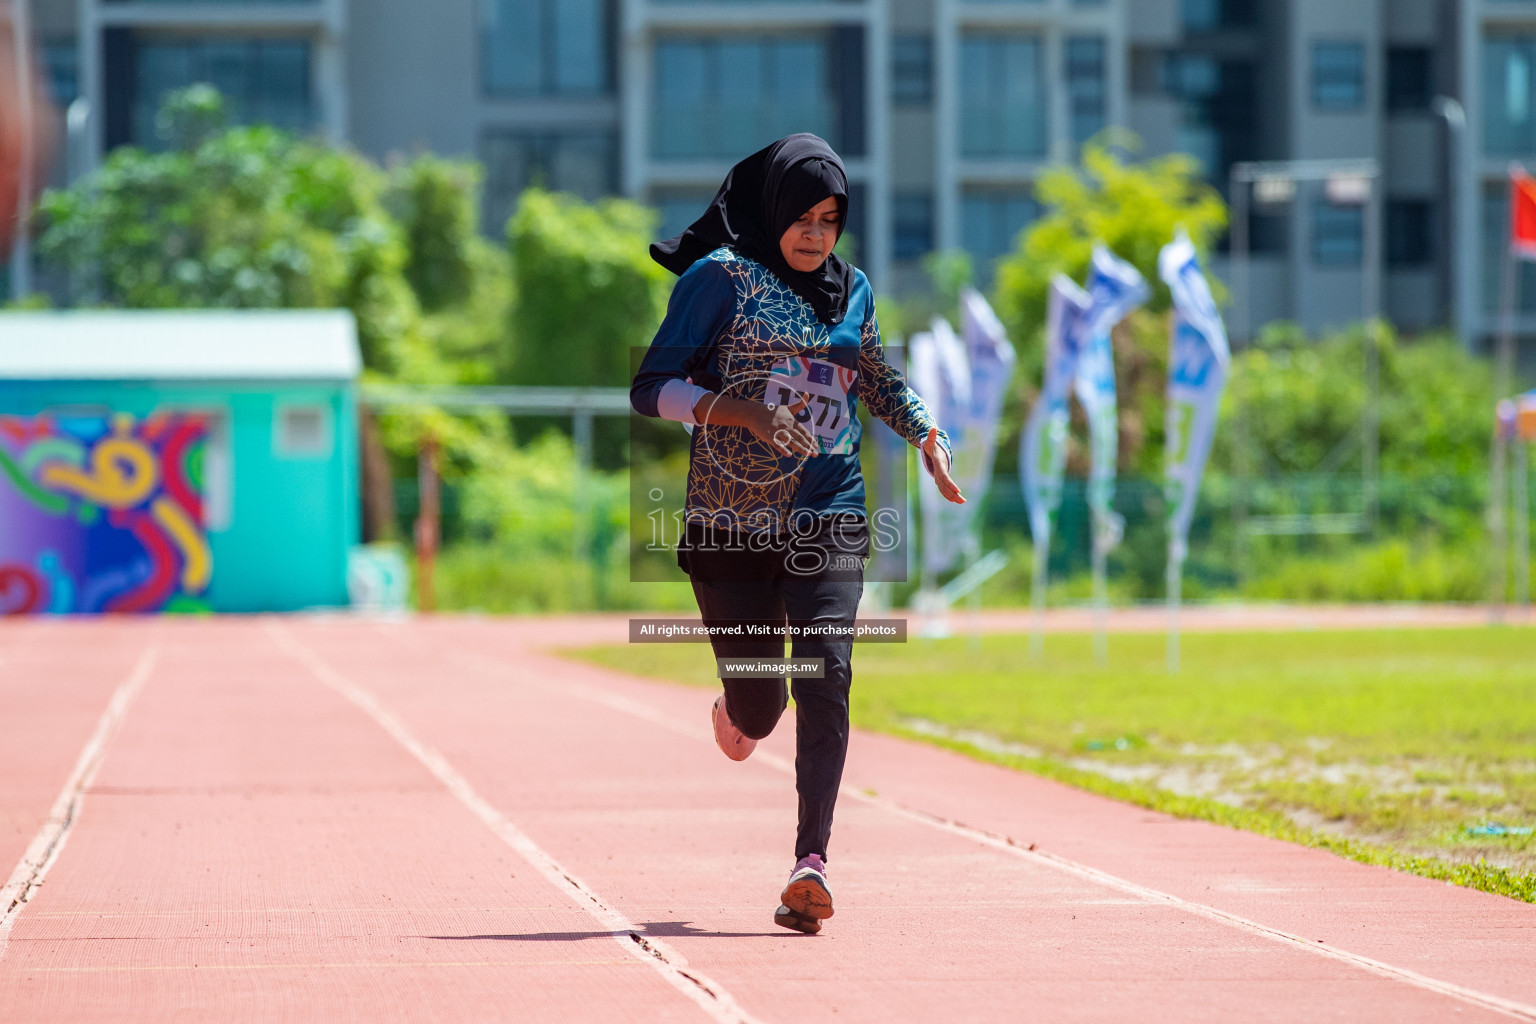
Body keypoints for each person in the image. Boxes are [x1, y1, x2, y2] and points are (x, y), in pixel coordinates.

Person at [631, 133, 964, 934]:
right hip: (731, 521)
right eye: (803, 218)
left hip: (830, 510)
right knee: (763, 704)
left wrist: (925, 434)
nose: (816, 235)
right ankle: (740, 710)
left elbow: (876, 375)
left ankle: (809, 864)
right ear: (773, 211)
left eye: (830, 219)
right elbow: (650, 389)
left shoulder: (853, 289)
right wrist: (740, 409)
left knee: (827, 667)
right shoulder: (721, 280)